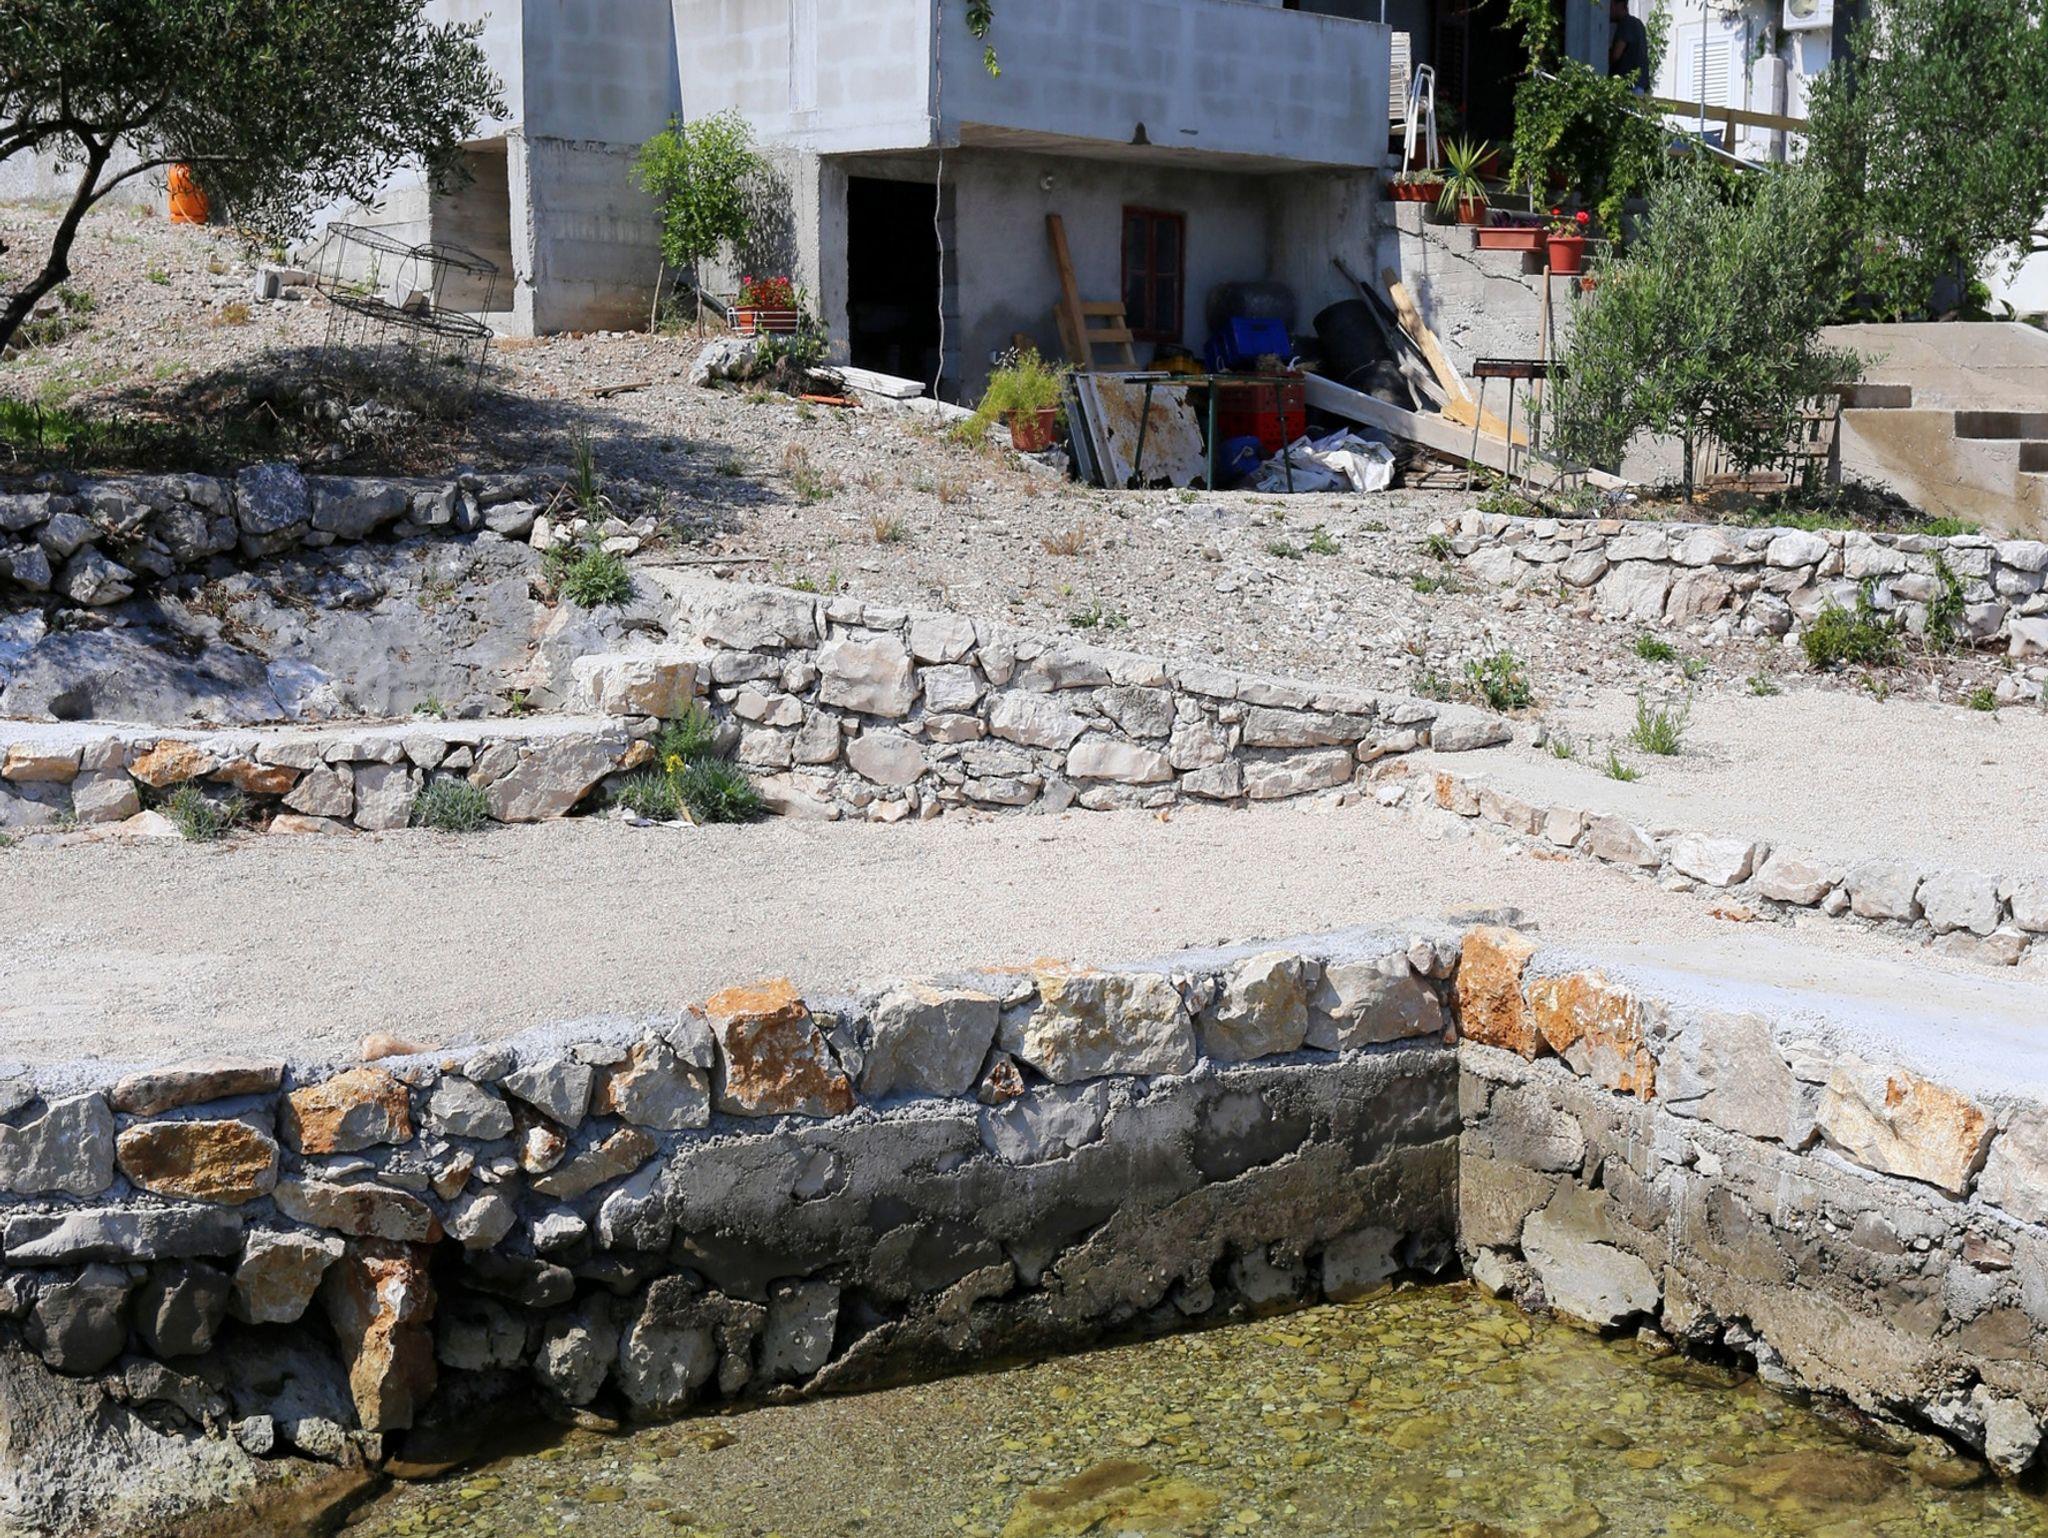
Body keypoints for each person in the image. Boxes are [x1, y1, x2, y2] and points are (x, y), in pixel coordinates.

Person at [1609, 0, 1651, 91]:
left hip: (1628, 85)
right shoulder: (1638, 23)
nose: (1608, 10)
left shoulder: (1626, 23)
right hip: (1639, 84)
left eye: (1610, 5)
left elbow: (1616, 55)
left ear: (1620, 5)